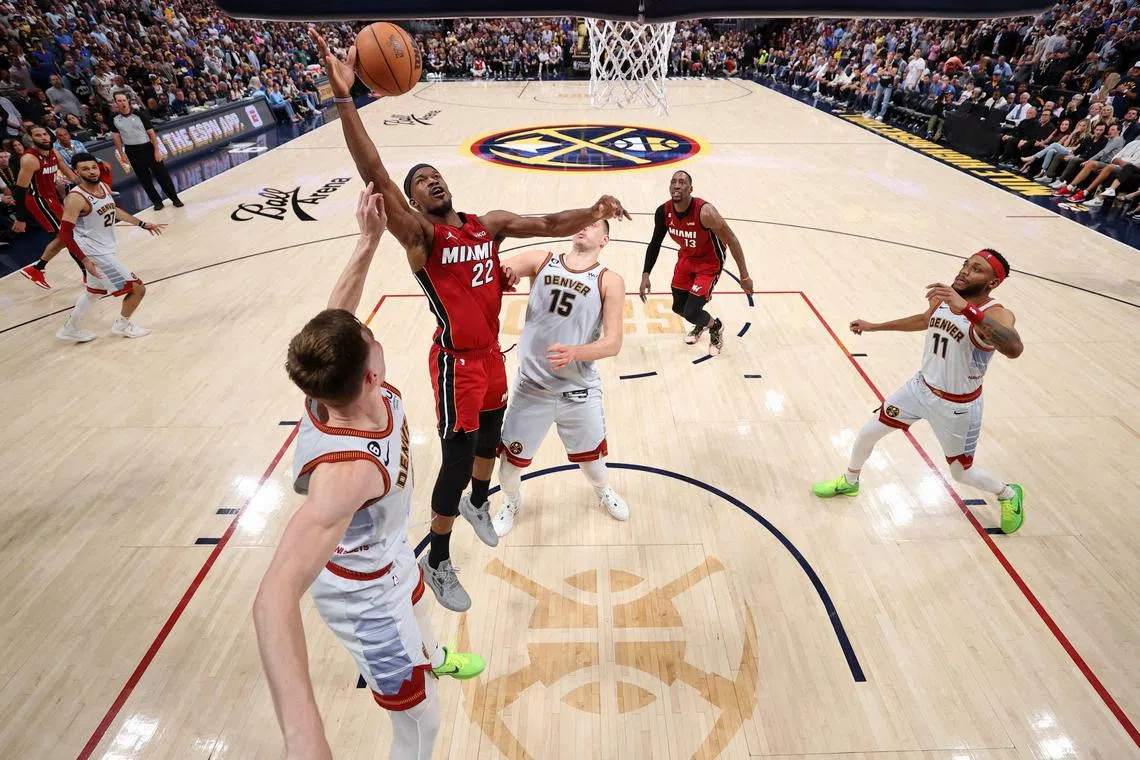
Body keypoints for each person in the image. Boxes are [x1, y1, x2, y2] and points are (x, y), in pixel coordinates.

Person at [311, 28, 630, 613]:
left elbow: (549, 221)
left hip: (491, 359)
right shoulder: (423, 236)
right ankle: (436, 555)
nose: (430, 181)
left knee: (490, 440)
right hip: (456, 362)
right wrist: (344, 98)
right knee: (456, 459)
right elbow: (377, 173)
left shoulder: (489, 224)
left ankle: (481, 500)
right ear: (410, 202)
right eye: (419, 182)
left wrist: (595, 209)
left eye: (435, 175)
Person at [253, 184, 485, 760]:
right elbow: (273, 599)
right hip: (364, 600)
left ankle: (429, 655)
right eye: (371, 340)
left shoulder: (324, 383)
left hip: (388, 554)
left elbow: (338, 316)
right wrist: (304, 733)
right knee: (421, 720)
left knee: (420, 610)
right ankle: (416, 685)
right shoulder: (346, 473)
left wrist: (367, 239)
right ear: (369, 377)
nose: (372, 335)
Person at [812, 249, 1026, 534]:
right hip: (919, 389)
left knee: (961, 473)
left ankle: (1008, 494)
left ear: (992, 283)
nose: (964, 271)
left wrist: (968, 310)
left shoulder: (996, 312)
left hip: (957, 405)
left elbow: (1013, 348)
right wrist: (874, 327)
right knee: (867, 433)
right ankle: (850, 482)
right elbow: (924, 320)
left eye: (976, 269)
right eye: (965, 264)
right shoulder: (947, 297)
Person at [491, 219, 629, 537]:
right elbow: (495, 269)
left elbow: (614, 343)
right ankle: (511, 502)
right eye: (582, 223)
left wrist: (576, 352)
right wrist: (504, 274)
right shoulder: (542, 260)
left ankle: (603, 492)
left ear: (604, 240)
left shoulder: (609, 281)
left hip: (577, 390)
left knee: (594, 468)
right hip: (532, 389)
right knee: (509, 469)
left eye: (594, 226)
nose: (584, 228)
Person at [639, 170, 752, 355]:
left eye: (682, 182)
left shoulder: (706, 212)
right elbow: (655, 243)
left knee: (691, 311)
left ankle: (715, 327)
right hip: (686, 259)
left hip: (709, 263)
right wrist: (645, 275)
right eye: (673, 182)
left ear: (691, 188)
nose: (677, 185)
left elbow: (732, 240)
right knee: (678, 308)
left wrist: (744, 276)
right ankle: (701, 322)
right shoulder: (663, 212)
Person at [54, 152, 162, 342]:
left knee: (93, 292)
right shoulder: (76, 198)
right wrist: (84, 259)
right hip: (96, 253)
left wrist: (142, 224)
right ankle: (122, 325)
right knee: (137, 289)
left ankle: (70, 329)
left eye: (93, 167)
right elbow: (64, 234)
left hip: (104, 248)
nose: (92, 172)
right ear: (76, 172)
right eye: (85, 169)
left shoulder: (103, 186)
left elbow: (115, 210)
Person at [15, 125, 75, 290]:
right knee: (67, 234)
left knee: (67, 235)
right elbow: (19, 191)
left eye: (45, 134)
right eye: (38, 135)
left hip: (51, 198)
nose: (44, 138)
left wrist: (86, 186)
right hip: (38, 199)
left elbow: (69, 173)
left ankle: (37, 268)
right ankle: (87, 272)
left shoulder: (54, 153)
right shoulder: (29, 159)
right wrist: (20, 218)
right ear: (31, 139)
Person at [109, 92, 183, 211]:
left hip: (147, 147)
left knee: (162, 175)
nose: (122, 103)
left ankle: (174, 198)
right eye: (119, 101)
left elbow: (151, 133)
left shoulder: (139, 114)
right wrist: (121, 154)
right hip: (131, 150)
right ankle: (157, 201)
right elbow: (116, 138)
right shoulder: (113, 119)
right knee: (144, 179)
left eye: (123, 100)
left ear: (128, 101)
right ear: (115, 102)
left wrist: (156, 151)